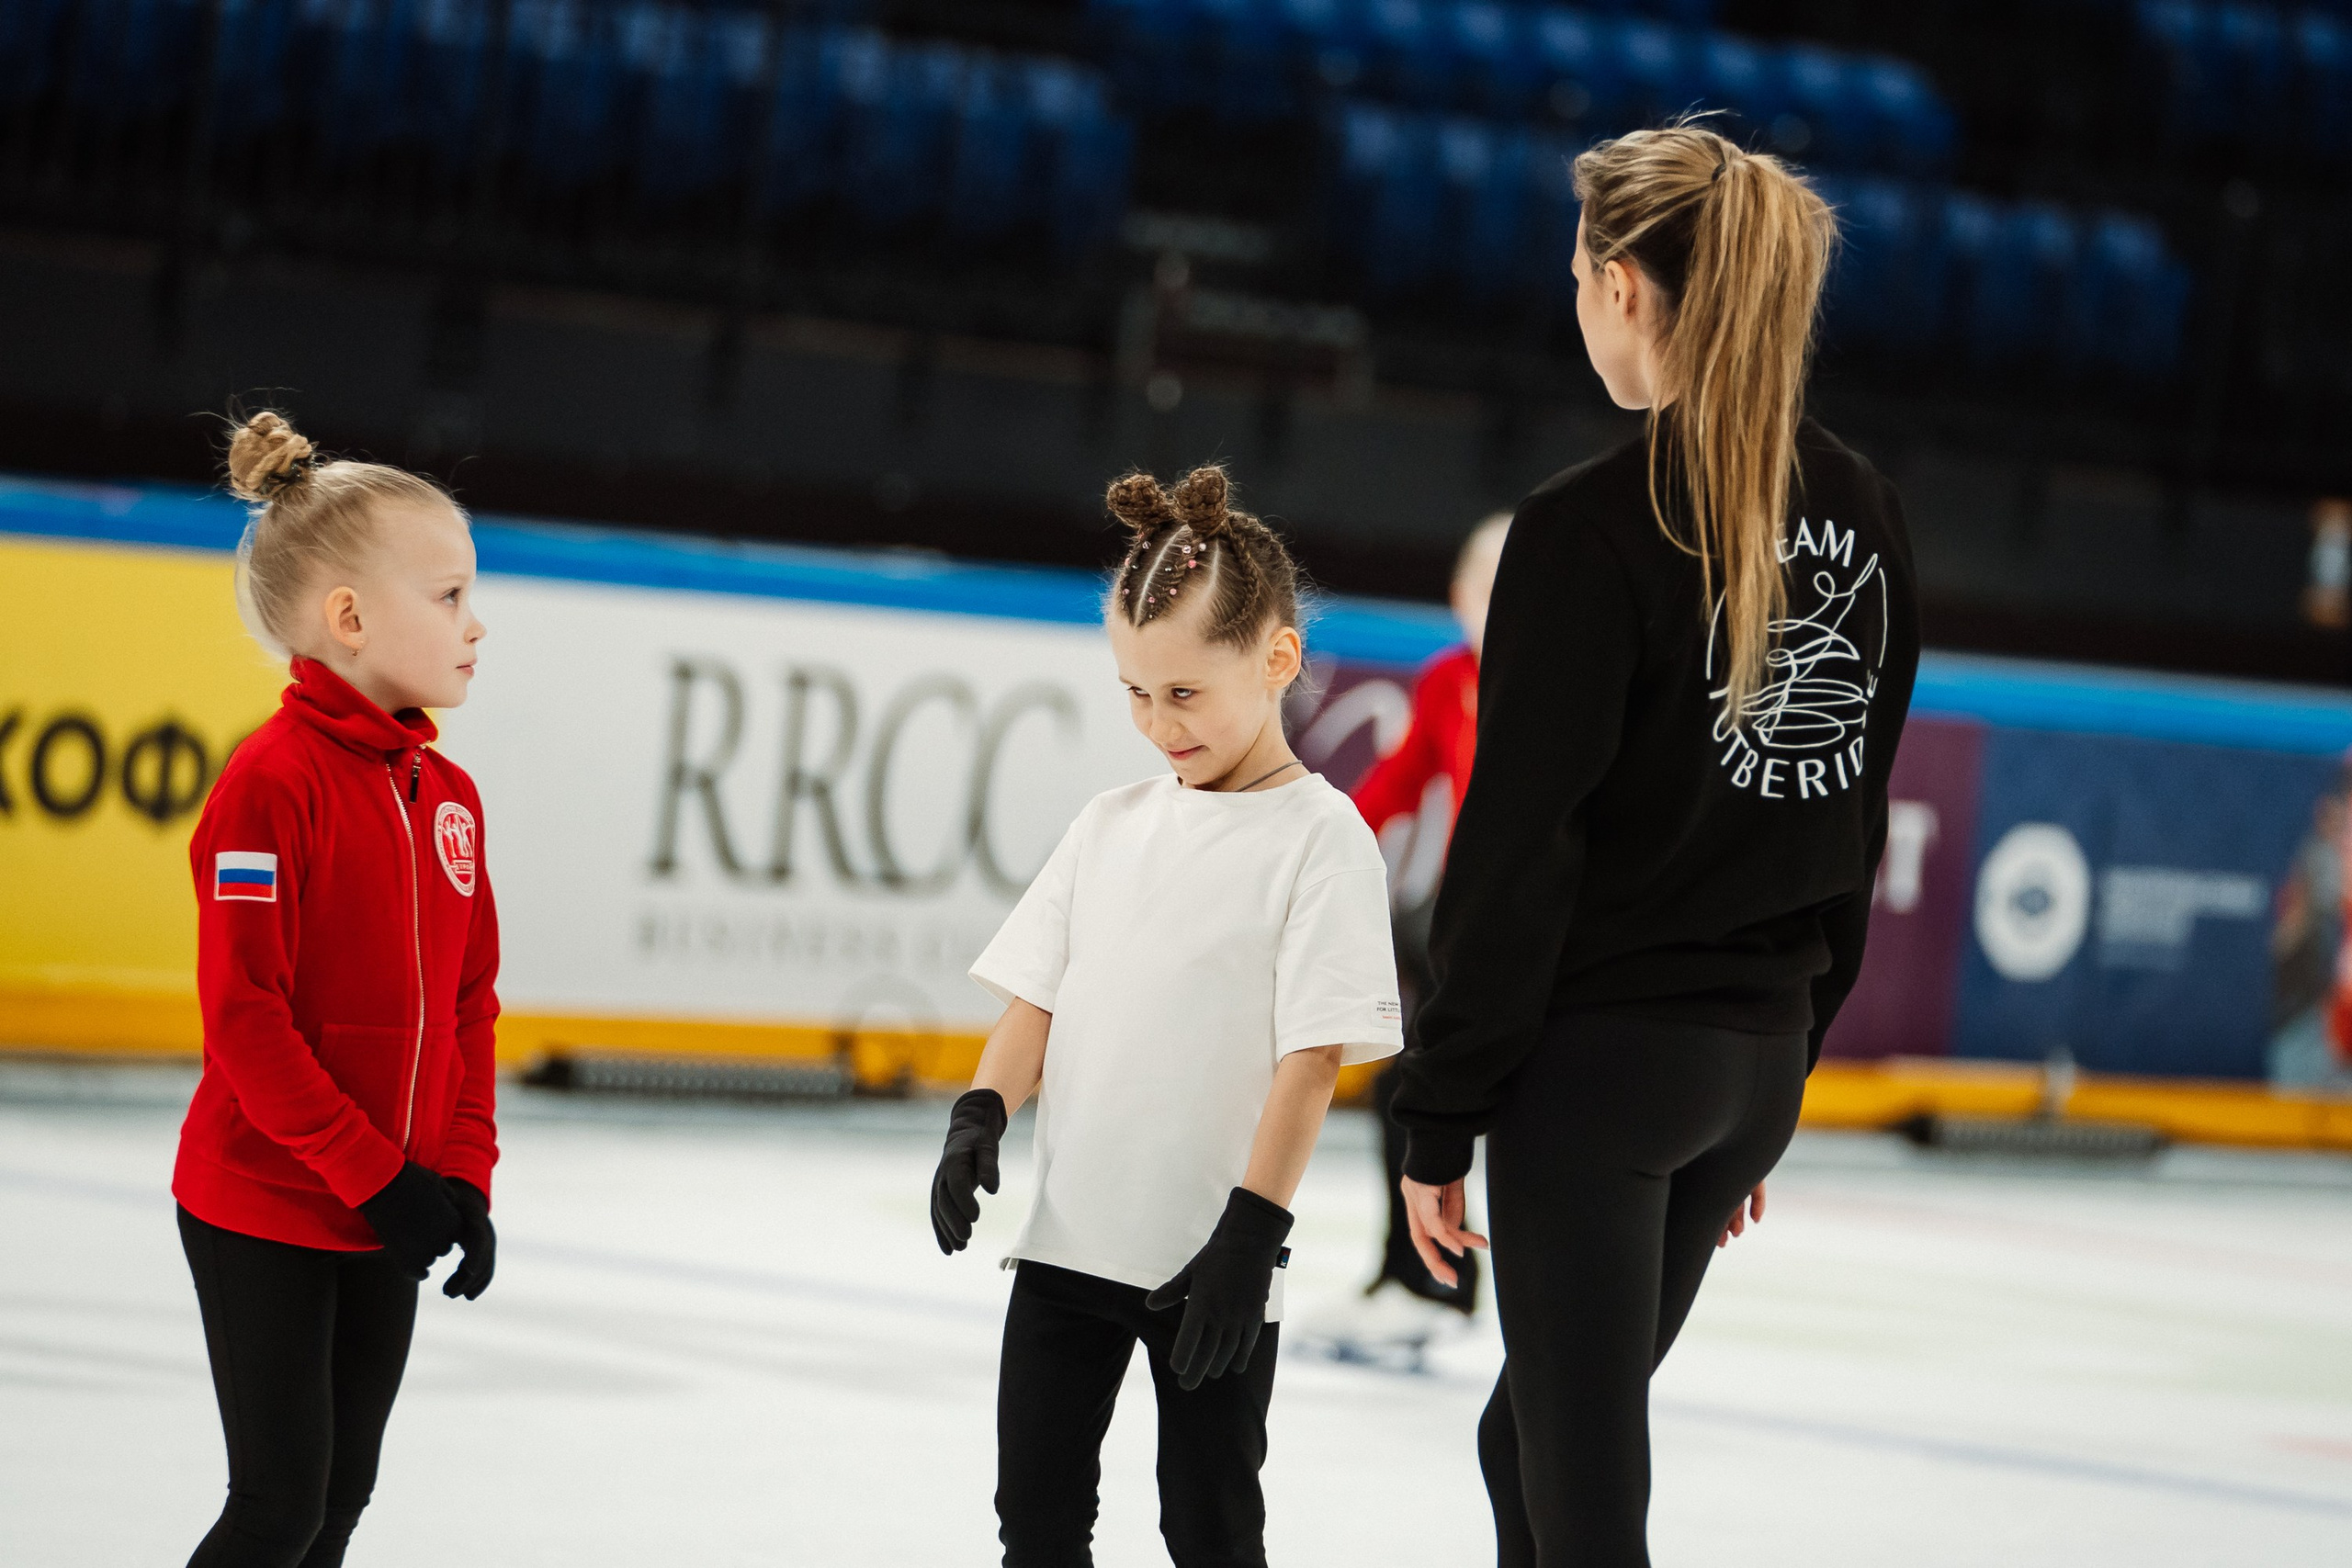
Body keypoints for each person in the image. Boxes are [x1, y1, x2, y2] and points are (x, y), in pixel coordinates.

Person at [1388, 123, 1921, 1567]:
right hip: (1742, 1071)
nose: (1576, 304)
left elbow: (1518, 850)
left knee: (1582, 1503)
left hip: (1604, 1079)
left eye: (1577, 273)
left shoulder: (1582, 529)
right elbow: (1851, 817)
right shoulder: (1867, 513)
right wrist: (1783, 1059)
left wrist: (1437, 1111)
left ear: (1626, 285)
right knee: (1536, 1440)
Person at [930, 464, 1405, 1568]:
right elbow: (1034, 999)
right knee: (1036, 1523)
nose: (1155, 723)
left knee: (1209, 1528)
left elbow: (1312, 1060)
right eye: (1135, 693)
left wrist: (1252, 1235)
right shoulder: (1109, 823)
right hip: (1066, 1248)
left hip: (1213, 1265)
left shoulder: (1321, 839)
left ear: (1278, 658)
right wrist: (979, 1114)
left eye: (1184, 694)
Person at [174, 411, 500, 1568]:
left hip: (394, 1207)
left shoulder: (447, 795)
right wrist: (380, 1181)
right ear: (350, 618)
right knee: (277, 1509)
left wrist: (461, 1174)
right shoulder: (270, 787)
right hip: (267, 1204)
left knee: (340, 1508)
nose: (477, 625)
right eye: (450, 596)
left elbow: (469, 1009)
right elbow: (247, 1026)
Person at [1300, 513, 1509, 1362]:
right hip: (1465, 913)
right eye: (1487, 583)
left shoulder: (1562, 683)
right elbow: (1399, 781)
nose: (1499, 602)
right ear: (1459, 594)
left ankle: (1439, 1283)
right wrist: (1317, 835)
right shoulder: (1447, 678)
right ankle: (1409, 1273)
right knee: (1398, 1084)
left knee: (1422, 1087)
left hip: (1521, 922)